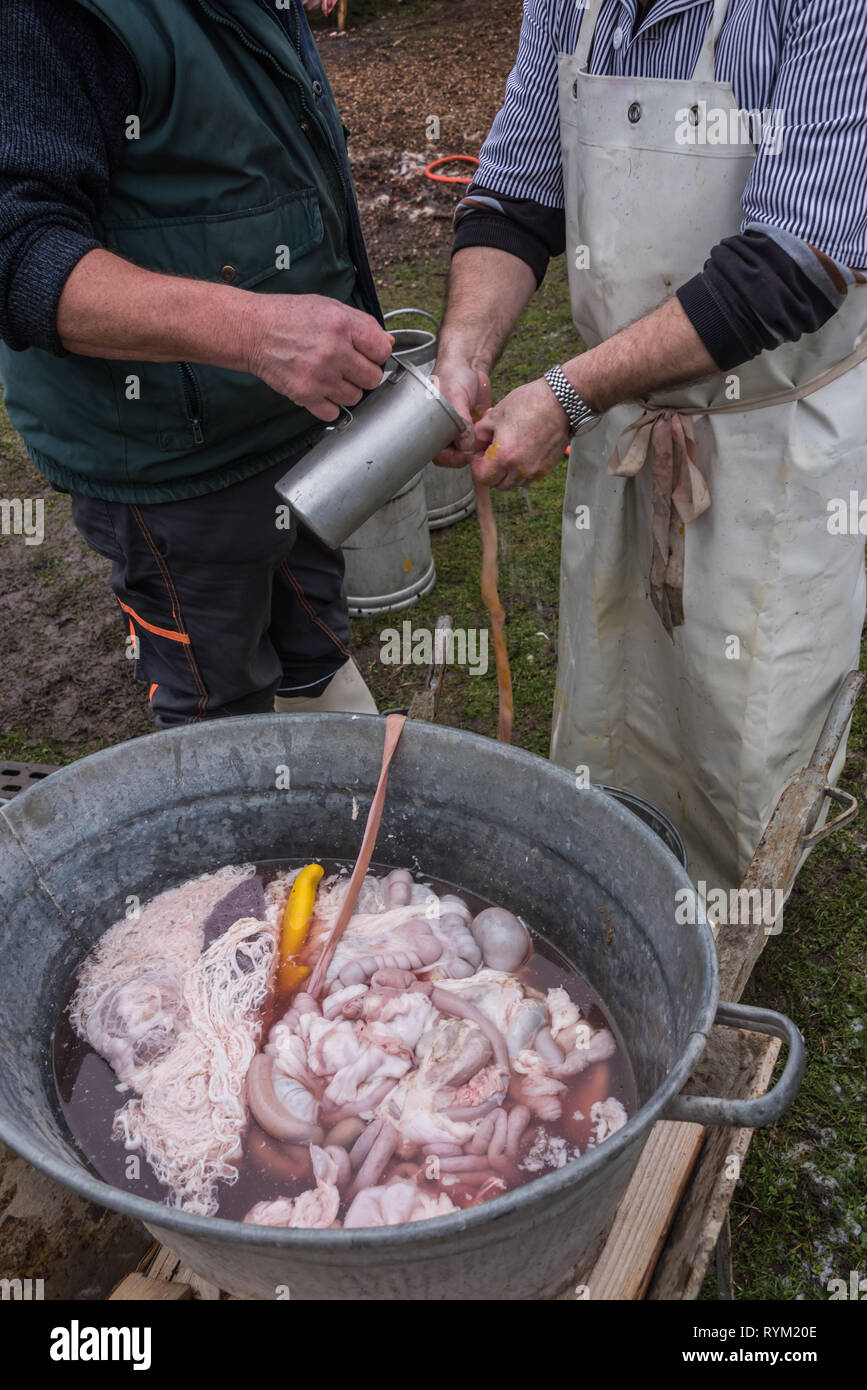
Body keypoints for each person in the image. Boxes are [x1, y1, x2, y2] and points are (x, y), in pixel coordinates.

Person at [435, 0, 867, 888]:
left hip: (768, 433)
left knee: (745, 706)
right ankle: (612, 879)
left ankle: (722, 928)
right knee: (613, 679)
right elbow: (516, 193)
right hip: (623, 410)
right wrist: (466, 353)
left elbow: (798, 260)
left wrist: (566, 394)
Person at [0, 0, 393, 726]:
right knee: (219, 702)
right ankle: (249, 831)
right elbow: (17, 252)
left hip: (295, 432)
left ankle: (338, 807)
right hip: (171, 465)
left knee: (314, 645)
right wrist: (255, 334)